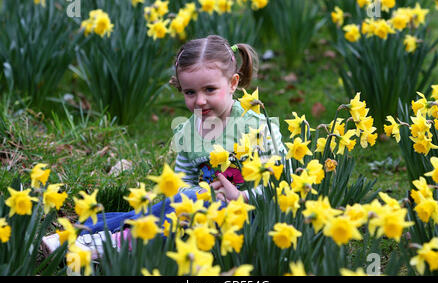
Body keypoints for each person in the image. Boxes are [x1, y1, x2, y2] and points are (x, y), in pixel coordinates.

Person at [42, 35, 286, 256]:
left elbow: (281, 184)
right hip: (195, 213)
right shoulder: (189, 131)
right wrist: (195, 195)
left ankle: (114, 241)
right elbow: (181, 183)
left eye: (210, 89)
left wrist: (240, 196)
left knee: (161, 214)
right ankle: (72, 237)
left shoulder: (258, 127)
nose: (200, 100)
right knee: (143, 212)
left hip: (249, 216)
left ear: (233, 83)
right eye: (190, 92)